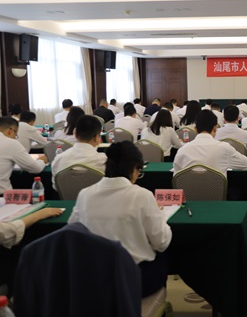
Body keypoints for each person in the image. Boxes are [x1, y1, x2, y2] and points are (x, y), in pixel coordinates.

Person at [68, 141, 172, 298]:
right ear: (133, 168)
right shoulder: (142, 195)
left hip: (94, 279)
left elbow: (72, 230)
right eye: (139, 171)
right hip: (132, 280)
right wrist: (160, 215)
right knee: (164, 254)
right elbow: (162, 242)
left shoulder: (85, 194)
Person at [173, 110, 247, 177]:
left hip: (189, 190)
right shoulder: (224, 148)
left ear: (195, 129)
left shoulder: (182, 150)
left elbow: (176, 176)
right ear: (215, 128)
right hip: (218, 190)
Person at [51, 115, 107, 190]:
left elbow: (56, 187)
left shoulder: (59, 159)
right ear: (97, 137)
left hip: (68, 197)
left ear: (75, 133)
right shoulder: (105, 161)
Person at [0, 117, 48, 194]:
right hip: (3, 196)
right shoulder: (11, 143)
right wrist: (43, 160)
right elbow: (36, 168)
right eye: (15, 134)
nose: (15, 138)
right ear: (10, 130)